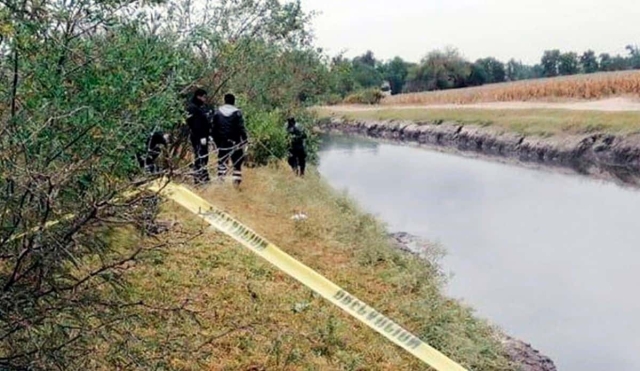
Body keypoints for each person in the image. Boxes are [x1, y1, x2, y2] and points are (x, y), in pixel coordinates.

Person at [212, 93, 248, 187]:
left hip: (222, 142)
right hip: (235, 142)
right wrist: (245, 140)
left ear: (225, 100)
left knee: (222, 162)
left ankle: (221, 182)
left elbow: (214, 128)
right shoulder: (237, 113)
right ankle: (236, 184)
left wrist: (216, 142)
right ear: (234, 101)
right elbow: (241, 128)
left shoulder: (217, 112)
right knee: (237, 163)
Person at [186, 88, 214, 184]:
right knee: (200, 156)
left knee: (204, 156)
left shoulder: (200, 107)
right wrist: (201, 136)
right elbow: (195, 124)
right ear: (198, 96)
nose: (205, 99)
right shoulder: (193, 108)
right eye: (204, 97)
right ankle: (198, 178)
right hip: (198, 137)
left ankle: (204, 176)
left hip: (203, 136)